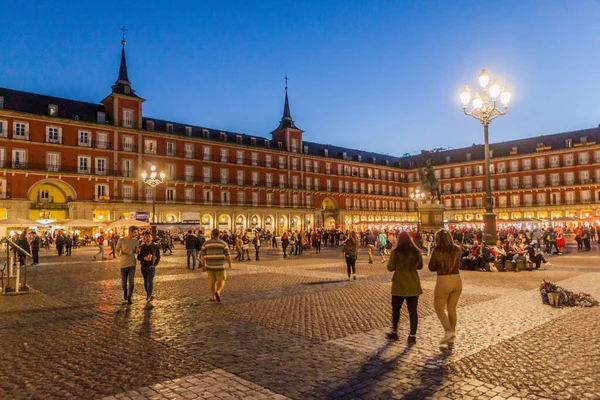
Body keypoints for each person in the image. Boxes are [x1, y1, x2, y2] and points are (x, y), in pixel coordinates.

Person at [386, 231, 423, 344]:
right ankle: (412, 335)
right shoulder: (416, 252)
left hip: (399, 284)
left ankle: (395, 331)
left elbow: (390, 267)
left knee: (396, 310)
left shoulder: (396, 252)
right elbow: (420, 266)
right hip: (412, 283)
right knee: (413, 311)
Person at [428, 228, 462, 345]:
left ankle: (448, 331)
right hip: (457, 279)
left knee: (439, 308)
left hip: (444, 280)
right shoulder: (457, 249)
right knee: (452, 308)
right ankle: (452, 333)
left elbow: (431, 267)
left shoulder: (437, 250)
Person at [200, 228, 232, 302]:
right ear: (219, 235)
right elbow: (228, 255)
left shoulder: (206, 243)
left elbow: (202, 256)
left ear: (211, 234)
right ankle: (218, 291)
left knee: (212, 282)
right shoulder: (223, 243)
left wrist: (203, 265)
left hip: (210, 266)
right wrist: (229, 263)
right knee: (222, 280)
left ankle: (213, 296)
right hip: (220, 266)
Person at [115, 226, 140, 305]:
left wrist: (138, 251)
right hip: (123, 263)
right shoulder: (121, 240)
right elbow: (117, 249)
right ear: (131, 232)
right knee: (123, 283)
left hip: (132, 263)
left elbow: (136, 252)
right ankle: (125, 291)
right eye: (136, 232)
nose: (137, 233)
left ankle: (129, 297)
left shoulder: (136, 241)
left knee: (131, 281)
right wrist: (118, 253)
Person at [138, 232, 160, 303]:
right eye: (146, 237)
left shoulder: (155, 246)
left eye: (149, 237)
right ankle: (148, 294)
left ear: (152, 238)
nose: (148, 238)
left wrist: (155, 264)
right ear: (144, 238)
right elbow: (138, 257)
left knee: (150, 281)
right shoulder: (142, 247)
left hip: (151, 267)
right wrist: (144, 258)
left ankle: (149, 295)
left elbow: (158, 256)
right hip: (144, 266)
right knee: (145, 280)